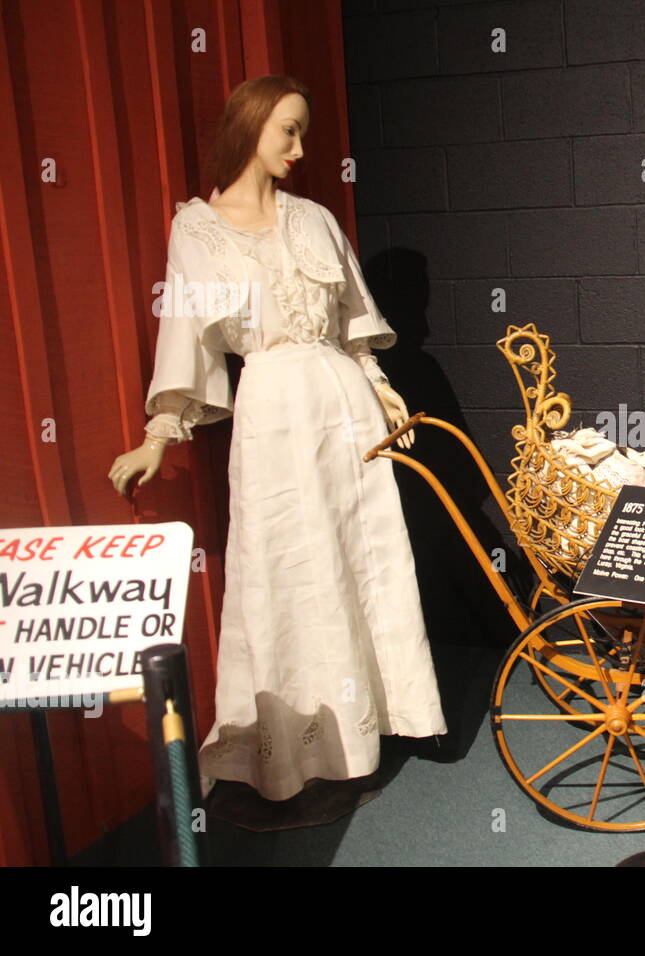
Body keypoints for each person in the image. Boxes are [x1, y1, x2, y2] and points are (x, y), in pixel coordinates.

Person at [108, 75, 446, 803]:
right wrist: (160, 434)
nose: (299, 147)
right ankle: (302, 748)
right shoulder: (197, 231)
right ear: (251, 125)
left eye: (303, 132)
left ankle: (386, 719)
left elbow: (355, 329)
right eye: (286, 130)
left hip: (346, 413)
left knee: (366, 559)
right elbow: (185, 338)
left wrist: (382, 389)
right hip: (272, 414)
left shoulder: (316, 218)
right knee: (289, 570)